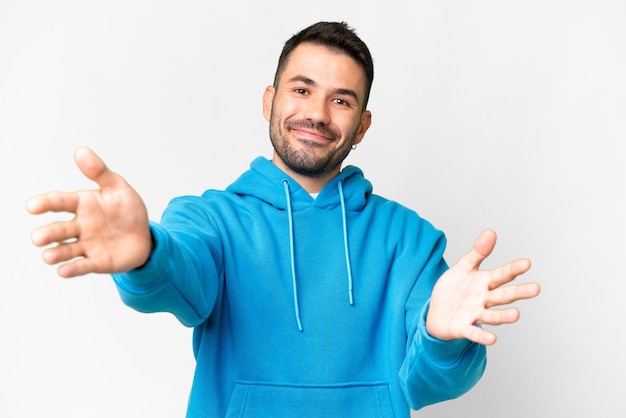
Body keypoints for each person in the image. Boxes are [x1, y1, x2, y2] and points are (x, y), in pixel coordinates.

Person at [26, 21, 540, 418]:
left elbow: (427, 383)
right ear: (270, 100)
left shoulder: (412, 241)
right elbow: (182, 279)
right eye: (301, 89)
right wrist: (146, 255)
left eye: (341, 100)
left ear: (361, 126)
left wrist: (441, 337)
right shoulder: (211, 219)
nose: (317, 112)